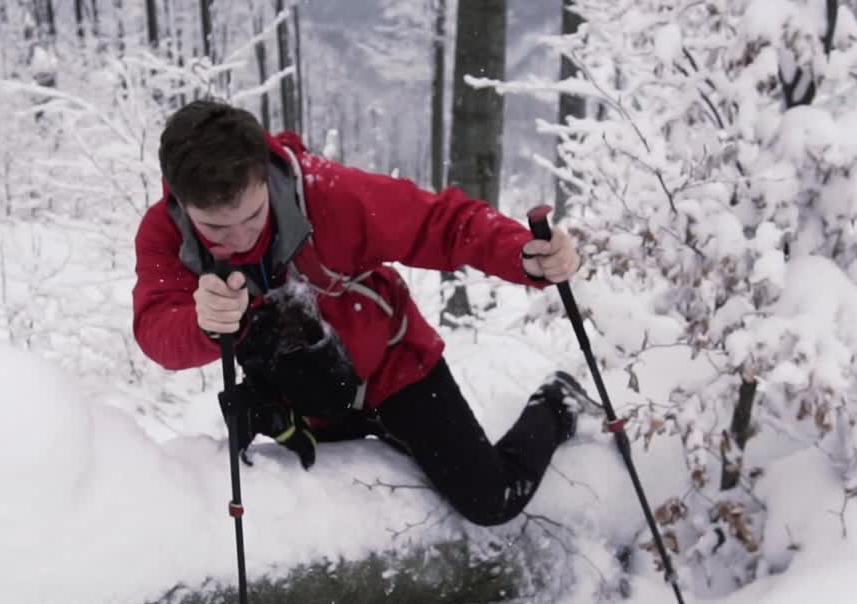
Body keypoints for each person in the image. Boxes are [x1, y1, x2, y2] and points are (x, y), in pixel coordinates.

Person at [131, 99, 600, 527]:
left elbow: (442, 223)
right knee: (339, 517)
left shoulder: (327, 194)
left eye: (254, 217)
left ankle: (557, 403)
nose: (239, 239)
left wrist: (521, 254)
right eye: (215, 227)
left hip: (395, 370)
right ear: (180, 197)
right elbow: (155, 328)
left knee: (490, 498)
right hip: (310, 396)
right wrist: (202, 324)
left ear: (264, 176)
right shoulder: (164, 235)